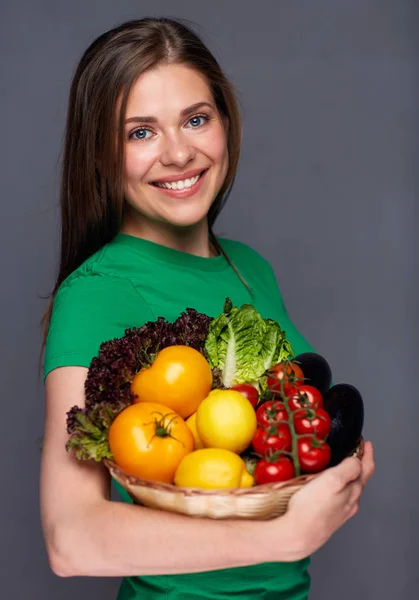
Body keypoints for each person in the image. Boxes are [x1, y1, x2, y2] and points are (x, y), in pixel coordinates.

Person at [40, 16, 375, 600]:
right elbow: (72, 537)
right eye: (139, 133)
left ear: (225, 123)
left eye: (196, 119)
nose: (178, 153)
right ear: (99, 151)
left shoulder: (250, 267)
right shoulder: (97, 291)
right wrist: (285, 538)